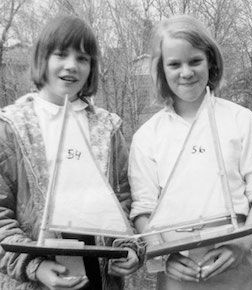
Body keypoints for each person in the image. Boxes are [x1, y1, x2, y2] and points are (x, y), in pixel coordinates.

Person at [129, 14, 252, 289]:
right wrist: (163, 256)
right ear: (161, 70)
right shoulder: (147, 137)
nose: (186, 72)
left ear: (210, 61)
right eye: (174, 64)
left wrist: (241, 245)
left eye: (195, 61)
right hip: (177, 274)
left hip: (234, 267)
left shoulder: (240, 120)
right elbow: (142, 211)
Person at [0, 15, 144, 289]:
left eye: (82, 58)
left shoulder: (107, 128)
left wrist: (127, 247)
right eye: (61, 55)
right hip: (37, 278)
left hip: (99, 277)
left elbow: (125, 200)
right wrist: (35, 265)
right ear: (42, 59)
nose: (71, 66)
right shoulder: (11, 127)